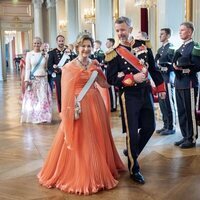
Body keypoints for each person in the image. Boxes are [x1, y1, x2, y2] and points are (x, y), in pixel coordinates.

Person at [37, 33, 126, 195]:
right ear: (77, 47)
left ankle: (98, 168)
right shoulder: (69, 67)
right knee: (82, 138)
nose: (86, 49)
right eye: (83, 46)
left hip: (95, 105)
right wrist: (71, 109)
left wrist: (116, 73)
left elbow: (104, 84)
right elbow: (65, 93)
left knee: (97, 137)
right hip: (78, 107)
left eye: (88, 46)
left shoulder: (95, 65)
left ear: (92, 48)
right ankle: (82, 171)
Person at [106, 16, 166, 184]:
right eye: (117, 31)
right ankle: (134, 168)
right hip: (129, 96)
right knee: (132, 133)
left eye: (123, 30)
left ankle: (133, 152)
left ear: (131, 29)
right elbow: (110, 78)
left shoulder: (143, 45)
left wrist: (161, 88)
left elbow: (153, 69)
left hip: (145, 92)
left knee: (150, 127)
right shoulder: (114, 53)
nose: (120, 34)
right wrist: (132, 78)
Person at [173, 22, 200, 148]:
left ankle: (192, 138)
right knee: (182, 112)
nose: (180, 32)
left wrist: (182, 69)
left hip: (189, 83)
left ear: (189, 32)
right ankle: (185, 136)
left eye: (182, 30)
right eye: (180, 30)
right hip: (179, 83)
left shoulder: (195, 46)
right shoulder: (179, 48)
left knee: (190, 113)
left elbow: (197, 66)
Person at [21, 37, 52, 123]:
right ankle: (33, 117)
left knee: (43, 99)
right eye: (35, 43)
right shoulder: (29, 54)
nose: (36, 45)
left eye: (38, 43)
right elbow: (27, 69)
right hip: (33, 79)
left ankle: (42, 117)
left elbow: (46, 68)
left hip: (43, 80)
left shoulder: (45, 55)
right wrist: (26, 80)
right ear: (32, 44)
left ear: (41, 44)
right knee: (33, 99)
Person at [155, 28, 176, 135]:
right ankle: (165, 125)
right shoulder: (160, 49)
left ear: (167, 35)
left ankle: (171, 126)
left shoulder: (171, 47)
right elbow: (155, 62)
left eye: (162, 34)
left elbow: (173, 64)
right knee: (162, 103)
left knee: (168, 102)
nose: (160, 36)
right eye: (160, 34)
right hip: (160, 79)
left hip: (168, 78)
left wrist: (163, 66)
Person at [48, 35, 72, 112]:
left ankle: (68, 108)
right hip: (58, 76)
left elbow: (72, 63)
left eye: (62, 41)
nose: (61, 42)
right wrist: (54, 69)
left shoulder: (68, 52)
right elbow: (49, 66)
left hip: (67, 75)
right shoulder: (52, 53)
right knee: (59, 93)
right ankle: (61, 110)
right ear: (57, 42)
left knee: (68, 92)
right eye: (59, 41)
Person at [105, 38, 118, 112]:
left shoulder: (114, 51)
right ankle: (111, 105)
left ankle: (114, 106)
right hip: (108, 73)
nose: (106, 44)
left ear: (111, 43)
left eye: (107, 42)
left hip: (113, 74)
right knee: (109, 90)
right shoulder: (107, 52)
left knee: (112, 90)